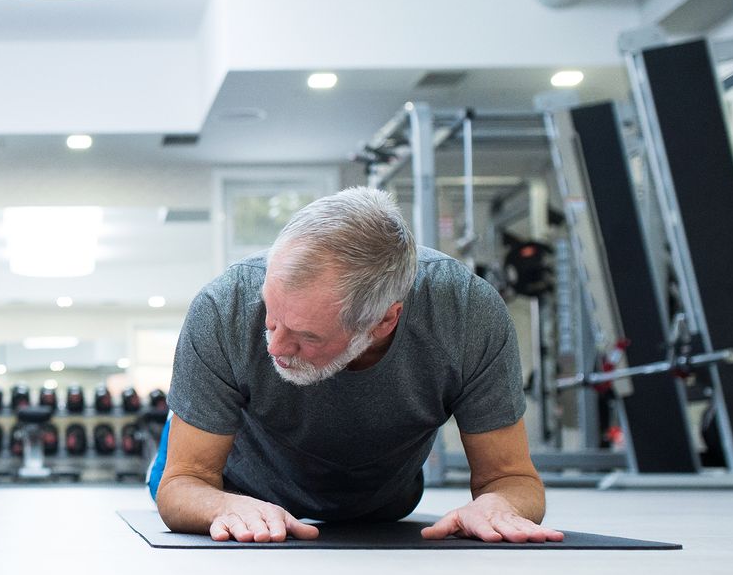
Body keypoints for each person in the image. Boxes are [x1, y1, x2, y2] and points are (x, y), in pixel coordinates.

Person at [150, 186, 563, 544]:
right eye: (272, 319)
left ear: (385, 320)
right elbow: (184, 482)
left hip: (381, 501)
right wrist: (218, 504)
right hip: (239, 483)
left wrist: (499, 505)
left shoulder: (467, 313)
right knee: (177, 459)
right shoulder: (224, 307)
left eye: (306, 336)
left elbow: (512, 478)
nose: (274, 346)